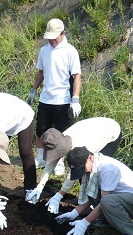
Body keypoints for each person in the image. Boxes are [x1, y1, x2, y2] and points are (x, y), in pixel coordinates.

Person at [25, 117, 122, 214]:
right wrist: (40, 186)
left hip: (111, 132)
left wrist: (59, 195)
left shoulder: (81, 146)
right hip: (95, 128)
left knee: (93, 171)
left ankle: (96, 207)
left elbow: (74, 172)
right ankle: (86, 199)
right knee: (82, 172)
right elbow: (51, 162)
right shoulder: (59, 139)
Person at [55, 146, 133, 235]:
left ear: (90, 158)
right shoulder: (93, 168)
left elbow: (103, 202)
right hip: (120, 198)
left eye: (82, 168)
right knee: (98, 193)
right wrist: (75, 212)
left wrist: (85, 223)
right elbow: (92, 194)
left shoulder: (107, 168)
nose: (83, 172)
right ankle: (108, 220)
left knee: (107, 201)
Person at [26, 18, 82, 176]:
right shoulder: (44, 50)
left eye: (54, 37)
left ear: (63, 33)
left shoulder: (70, 51)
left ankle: (59, 163)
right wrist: (33, 90)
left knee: (62, 134)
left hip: (63, 100)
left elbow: (77, 76)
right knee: (41, 131)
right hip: (46, 98)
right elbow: (41, 72)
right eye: (49, 38)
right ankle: (42, 158)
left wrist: (75, 99)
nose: (51, 40)